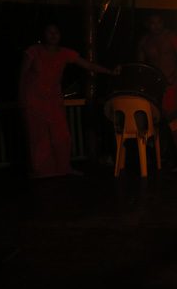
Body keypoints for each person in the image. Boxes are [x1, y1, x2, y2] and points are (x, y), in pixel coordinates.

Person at [19, 23, 116, 178]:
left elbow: (87, 65)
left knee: (62, 135)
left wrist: (110, 72)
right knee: (39, 136)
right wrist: (22, 99)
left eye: (56, 32)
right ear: (44, 35)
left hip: (53, 100)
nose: (53, 35)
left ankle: (64, 167)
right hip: (34, 100)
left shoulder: (65, 53)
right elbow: (23, 76)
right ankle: (42, 170)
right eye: (49, 32)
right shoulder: (33, 51)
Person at [138, 13, 177, 174]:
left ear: (163, 23)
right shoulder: (144, 41)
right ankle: (160, 158)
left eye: (159, 22)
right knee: (156, 121)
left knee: (174, 120)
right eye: (152, 23)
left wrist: (174, 75)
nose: (156, 26)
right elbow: (140, 65)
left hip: (171, 84)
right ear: (148, 24)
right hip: (155, 86)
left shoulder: (171, 37)